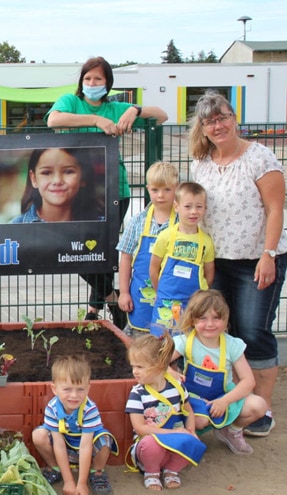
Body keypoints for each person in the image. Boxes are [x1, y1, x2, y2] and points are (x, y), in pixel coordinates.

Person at [189, 91, 287, 438]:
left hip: (255, 261)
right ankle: (231, 404)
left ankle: (262, 407)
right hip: (216, 262)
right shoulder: (201, 164)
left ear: (235, 119)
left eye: (222, 118)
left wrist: (269, 254)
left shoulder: (259, 158)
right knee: (221, 333)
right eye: (209, 121)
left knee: (253, 331)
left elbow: (275, 208)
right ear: (202, 128)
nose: (217, 126)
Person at [47, 56, 169, 325]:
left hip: (114, 189)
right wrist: (95, 120)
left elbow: (162, 116)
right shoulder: (71, 101)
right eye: (88, 78)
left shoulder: (116, 108)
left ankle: (94, 309)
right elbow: (53, 121)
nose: (92, 83)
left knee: (102, 251)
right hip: (77, 191)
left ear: (107, 83)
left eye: (98, 79)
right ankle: (111, 297)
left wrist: (134, 110)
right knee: (74, 249)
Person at [174, 290, 268, 455]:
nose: (210, 324)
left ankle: (231, 431)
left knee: (258, 406)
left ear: (225, 320)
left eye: (216, 318)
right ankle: (190, 435)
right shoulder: (185, 341)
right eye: (203, 318)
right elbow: (156, 362)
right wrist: (171, 371)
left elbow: (248, 381)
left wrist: (224, 401)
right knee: (200, 421)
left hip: (223, 394)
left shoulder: (233, 345)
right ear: (192, 320)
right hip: (194, 396)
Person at [125, 329, 206, 491]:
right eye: (133, 366)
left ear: (160, 365)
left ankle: (171, 470)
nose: (135, 371)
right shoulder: (137, 393)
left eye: (140, 366)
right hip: (151, 444)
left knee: (194, 442)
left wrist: (190, 431)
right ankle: (152, 472)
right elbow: (140, 428)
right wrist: (178, 433)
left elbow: (188, 410)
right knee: (150, 444)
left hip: (174, 443)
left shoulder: (177, 387)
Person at [30, 356, 117, 495]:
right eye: (67, 389)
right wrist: (69, 481)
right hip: (66, 445)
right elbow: (58, 443)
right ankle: (55, 469)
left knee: (105, 439)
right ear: (54, 389)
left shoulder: (89, 409)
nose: (74, 395)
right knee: (39, 435)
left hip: (86, 446)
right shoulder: (52, 408)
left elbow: (85, 446)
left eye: (80, 389)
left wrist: (81, 484)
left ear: (88, 388)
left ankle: (97, 472)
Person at [116, 161, 178, 333]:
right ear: (148, 188)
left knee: (169, 336)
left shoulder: (182, 223)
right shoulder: (138, 221)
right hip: (140, 294)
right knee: (139, 337)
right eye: (155, 190)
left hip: (171, 294)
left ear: (176, 188)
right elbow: (126, 257)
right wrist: (124, 292)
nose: (160, 195)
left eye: (167, 189)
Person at [149, 182, 215, 333]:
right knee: (161, 341)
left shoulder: (206, 241)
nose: (193, 212)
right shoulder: (165, 236)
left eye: (199, 206)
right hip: (166, 301)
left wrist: (200, 297)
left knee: (191, 342)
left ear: (205, 208)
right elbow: (154, 268)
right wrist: (161, 292)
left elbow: (209, 274)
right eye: (188, 206)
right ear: (176, 206)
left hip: (194, 305)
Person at [9, 147, 105, 223]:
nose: (57, 181)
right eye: (46, 173)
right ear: (33, 178)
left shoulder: (102, 225)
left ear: (83, 177)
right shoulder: (13, 228)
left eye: (68, 171)